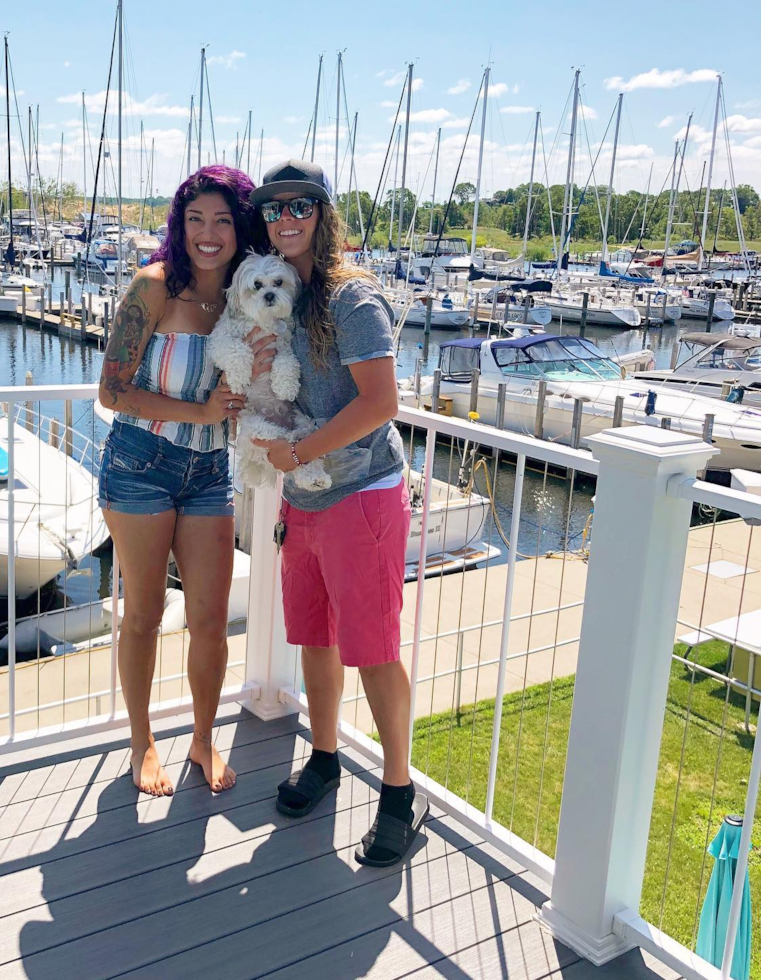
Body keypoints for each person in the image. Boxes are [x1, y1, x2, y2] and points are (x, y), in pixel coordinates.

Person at [251, 159, 429, 866]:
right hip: (305, 502)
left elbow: (380, 403)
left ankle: (398, 793)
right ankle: (324, 757)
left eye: (300, 205)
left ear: (324, 215)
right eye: (273, 208)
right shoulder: (283, 293)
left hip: (362, 496)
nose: (286, 217)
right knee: (315, 641)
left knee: (375, 652)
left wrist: (298, 455)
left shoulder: (354, 299)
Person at [97, 165, 272, 796]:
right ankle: (142, 742)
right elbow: (112, 391)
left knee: (210, 618)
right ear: (180, 222)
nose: (208, 232)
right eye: (196, 218)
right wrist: (198, 411)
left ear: (239, 228)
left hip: (209, 473)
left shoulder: (245, 295)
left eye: (223, 219)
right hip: (140, 466)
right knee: (142, 615)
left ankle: (202, 738)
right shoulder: (153, 287)